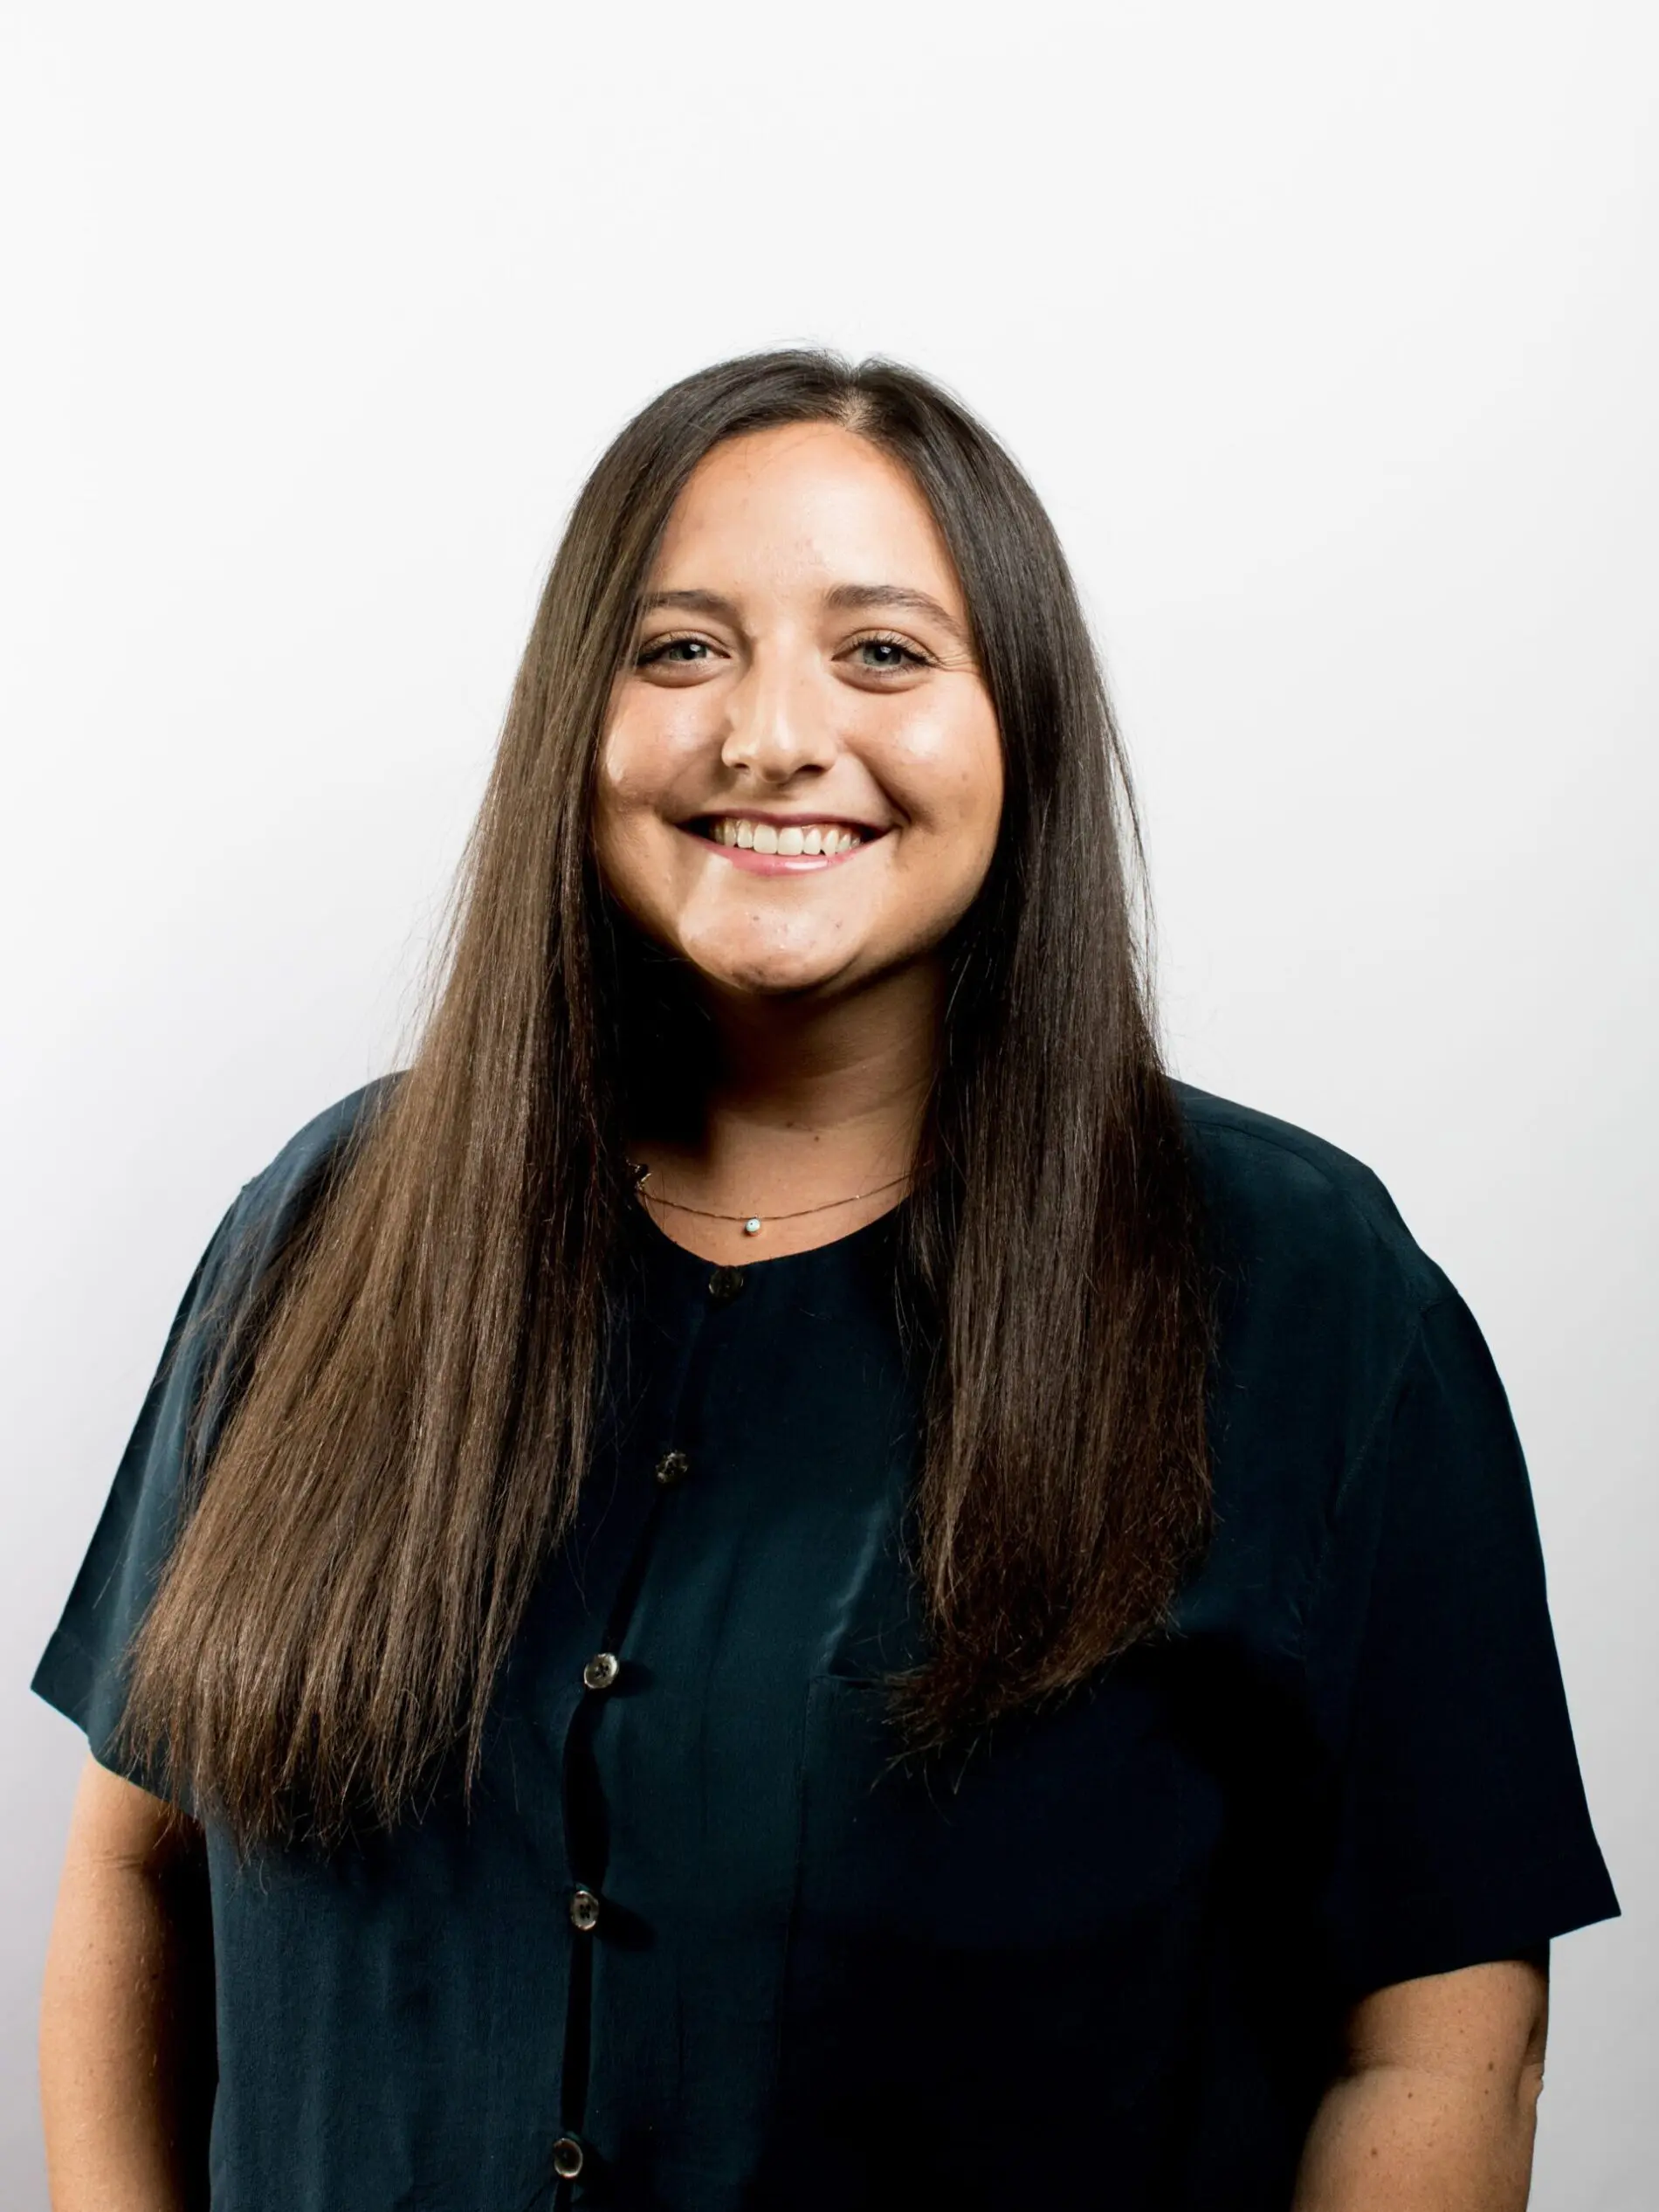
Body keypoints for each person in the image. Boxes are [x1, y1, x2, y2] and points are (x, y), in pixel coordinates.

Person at [33, 350, 1617, 2212]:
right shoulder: (327, 1230)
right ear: (576, 720)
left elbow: (1435, 2028)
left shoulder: (1302, 1294)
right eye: (681, 649)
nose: (772, 734)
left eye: (881, 654)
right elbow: (137, 1872)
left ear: (1014, 718)